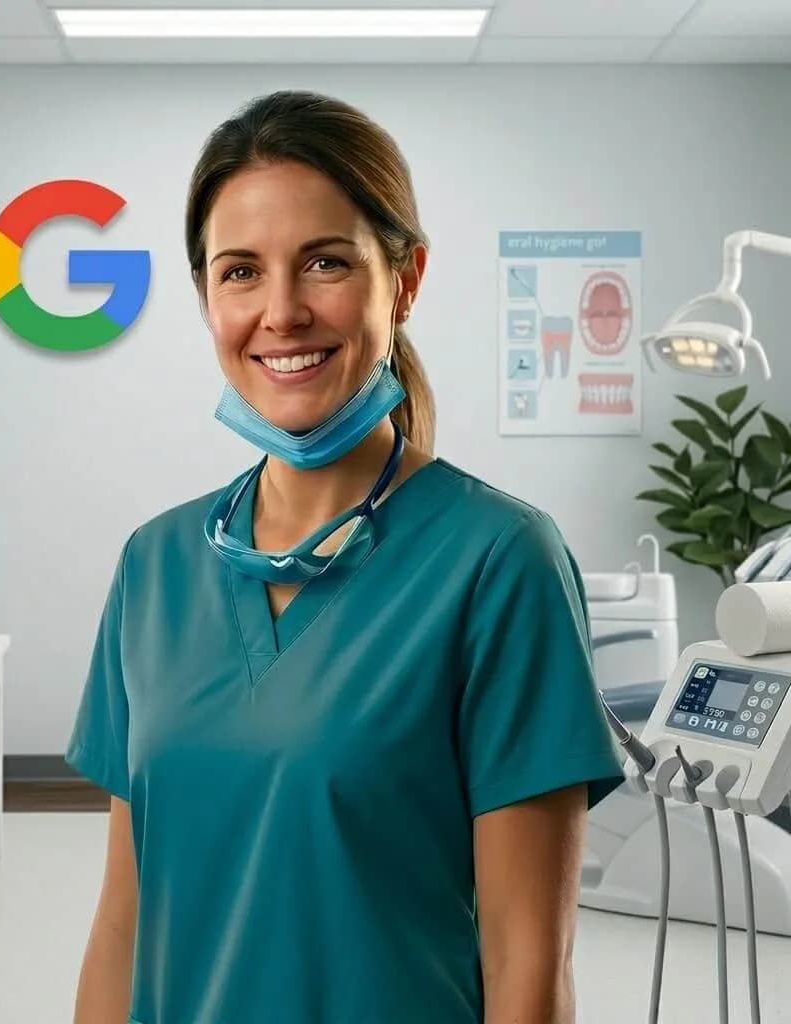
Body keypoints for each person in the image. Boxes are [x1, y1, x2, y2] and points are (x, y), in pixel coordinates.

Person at [67, 89, 624, 1024]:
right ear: (208, 296)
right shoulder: (156, 566)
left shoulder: (496, 562)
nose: (281, 312)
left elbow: (528, 965)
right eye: (240, 272)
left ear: (403, 280)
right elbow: (124, 922)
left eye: (325, 262)